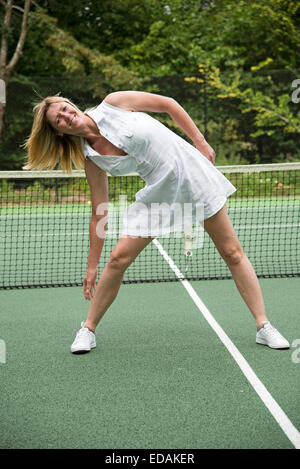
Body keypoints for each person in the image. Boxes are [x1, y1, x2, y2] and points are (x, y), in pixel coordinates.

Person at [24, 90, 290, 353]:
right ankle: (88, 329)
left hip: (194, 177)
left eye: (66, 108)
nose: (67, 115)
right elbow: (100, 211)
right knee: (118, 259)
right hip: (159, 195)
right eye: (59, 118)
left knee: (232, 253)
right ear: (58, 131)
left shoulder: (114, 103)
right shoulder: (93, 161)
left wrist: (201, 142)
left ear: (72, 105)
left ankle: (263, 326)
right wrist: (91, 266)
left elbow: (169, 104)